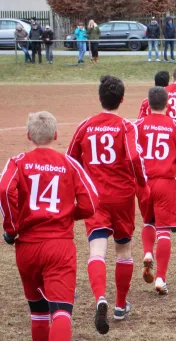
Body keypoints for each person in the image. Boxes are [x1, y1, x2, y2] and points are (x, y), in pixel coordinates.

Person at [0, 111, 99, 341]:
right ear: (56, 135)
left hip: (27, 247)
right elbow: (92, 202)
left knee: (38, 313)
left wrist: (12, 226)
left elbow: (4, 189)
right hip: (59, 248)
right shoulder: (68, 163)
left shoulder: (18, 162)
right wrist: (67, 214)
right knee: (61, 311)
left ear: (28, 135)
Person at [67, 76, 149, 334]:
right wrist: (142, 183)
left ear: (99, 98)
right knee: (124, 250)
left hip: (95, 197)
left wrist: (79, 189)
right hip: (122, 196)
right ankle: (120, 305)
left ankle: (100, 297)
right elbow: (135, 156)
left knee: (97, 251)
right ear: (122, 99)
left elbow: (71, 160)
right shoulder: (126, 126)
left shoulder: (85, 126)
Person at [136, 86, 176, 294]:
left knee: (148, 222)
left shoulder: (138, 125)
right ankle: (160, 278)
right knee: (164, 230)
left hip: (143, 182)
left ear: (148, 104)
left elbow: (130, 153)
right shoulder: (175, 126)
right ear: (168, 104)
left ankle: (147, 253)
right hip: (165, 182)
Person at [138, 66, 176, 229]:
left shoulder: (159, 94)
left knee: (172, 178)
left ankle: (175, 214)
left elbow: (141, 121)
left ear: (173, 78)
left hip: (160, 140)